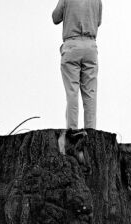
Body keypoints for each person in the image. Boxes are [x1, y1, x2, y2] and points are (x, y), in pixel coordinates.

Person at [52, 0, 102, 134]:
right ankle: (91, 131)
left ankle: (72, 130)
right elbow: (98, 21)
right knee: (90, 93)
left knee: (72, 91)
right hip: (91, 45)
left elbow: (55, 18)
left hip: (72, 44)